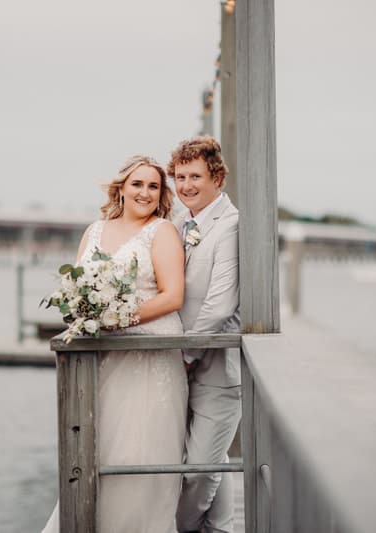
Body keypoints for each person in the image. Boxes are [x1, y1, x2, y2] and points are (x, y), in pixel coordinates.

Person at [41, 155, 188, 533]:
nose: (144, 192)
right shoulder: (94, 231)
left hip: (149, 356)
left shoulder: (162, 232)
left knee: (139, 449)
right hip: (102, 357)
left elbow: (173, 296)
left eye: (153, 186)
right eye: (137, 184)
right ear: (121, 187)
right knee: (96, 447)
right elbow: (75, 288)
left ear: (161, 195)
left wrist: (116, 320)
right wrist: (83, 313)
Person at [168, 136, 242, 533]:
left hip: (216, 369)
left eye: (195, 175)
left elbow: (219, 306)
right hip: (182, 364)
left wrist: (184, 355)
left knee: (199, 470)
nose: (186, 185)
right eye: (179, 176)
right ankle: (221, 529)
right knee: (216, 459)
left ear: (217, 177)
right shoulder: (181, 222)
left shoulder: (231, 225)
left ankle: (178, 528)